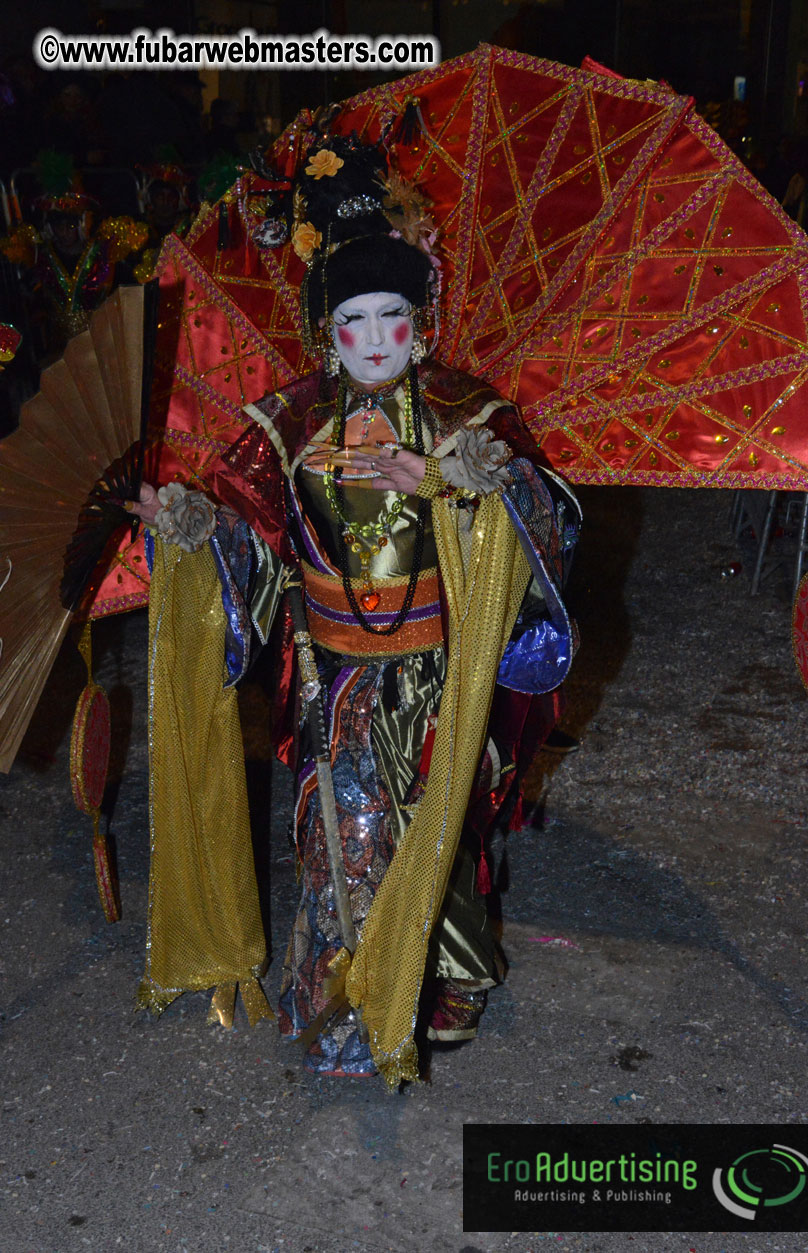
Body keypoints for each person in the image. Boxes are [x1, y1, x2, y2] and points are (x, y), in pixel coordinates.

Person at [132, 132, 580, 1085]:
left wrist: (463, 485)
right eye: (352, 321)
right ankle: (349, 1001)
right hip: (333, 675)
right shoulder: (288, 423)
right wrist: (193, 526)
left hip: (439, 670)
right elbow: (246, 531)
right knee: (340, 835)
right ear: (323, 332)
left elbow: (542, 519)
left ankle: (443, 975)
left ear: (422, 320)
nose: (376, 340)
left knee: (441, 828)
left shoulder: (467, 413)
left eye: (394, 318)